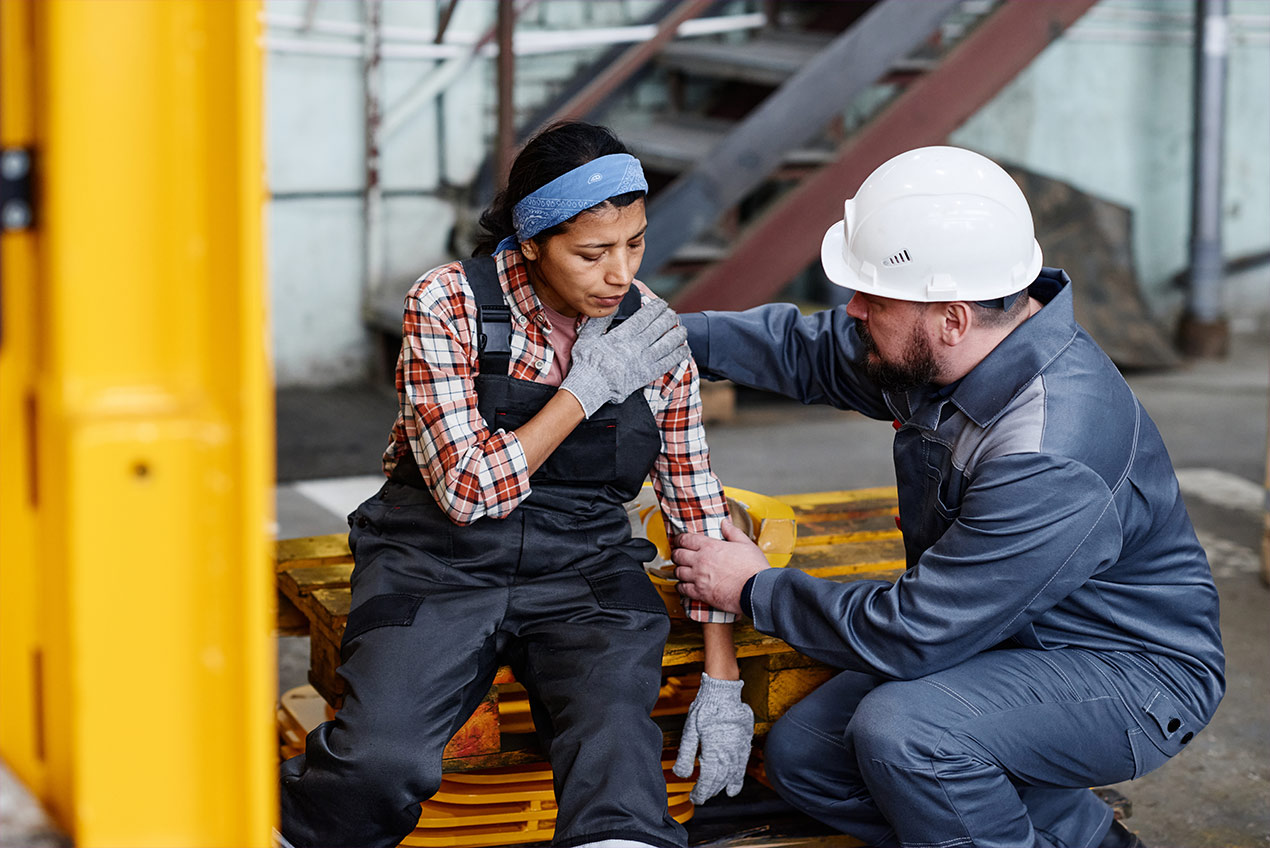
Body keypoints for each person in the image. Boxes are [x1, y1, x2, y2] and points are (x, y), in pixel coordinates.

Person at [671, 146, 1224, 848]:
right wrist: (667, 340)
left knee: (908, 734)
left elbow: (918, 632)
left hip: (1128, 671)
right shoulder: (945, 347)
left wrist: (754, 589)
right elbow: (807, 352)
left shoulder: (1050, 450)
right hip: (1009, 630)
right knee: (809, 756)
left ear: (953, 318)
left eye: (873, 297)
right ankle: (1083, 837)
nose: (854, 308)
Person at [279, 122, 754, 848]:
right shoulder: (447, 305)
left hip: (584, 573)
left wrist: (724, 680)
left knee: (620, 763)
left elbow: (696, 505)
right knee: (379, 761)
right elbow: (469, 492)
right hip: (436, 564)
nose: (621, 274)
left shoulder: (649, 334)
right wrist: (586, 387)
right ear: (531, 243)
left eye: (635, 243)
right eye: (592, 253)